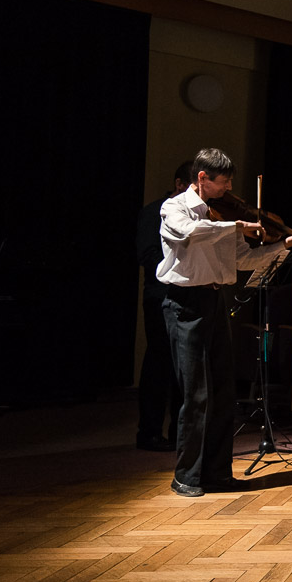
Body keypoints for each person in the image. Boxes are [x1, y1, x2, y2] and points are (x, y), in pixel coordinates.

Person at [158, 148, 292, 497]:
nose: (228, 191)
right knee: (196, 394)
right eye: (222, 183)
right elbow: (189, 233)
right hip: (184, 304)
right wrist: (235, 225)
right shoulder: (175, 208)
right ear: (202, 179)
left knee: (224, 391)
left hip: (214, 300)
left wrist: (286, 243)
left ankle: (216, 473)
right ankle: (186, 476)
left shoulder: (222, 216)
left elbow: (244, 259)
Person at [134, 160, 191, 451]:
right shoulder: (153, 211)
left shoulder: (197, 214)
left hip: (186, 297)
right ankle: (149, 433)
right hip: (159, 296)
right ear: (179, 184)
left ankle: (180, 434)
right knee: (158, 365)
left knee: (183, 369)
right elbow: (147, 254)